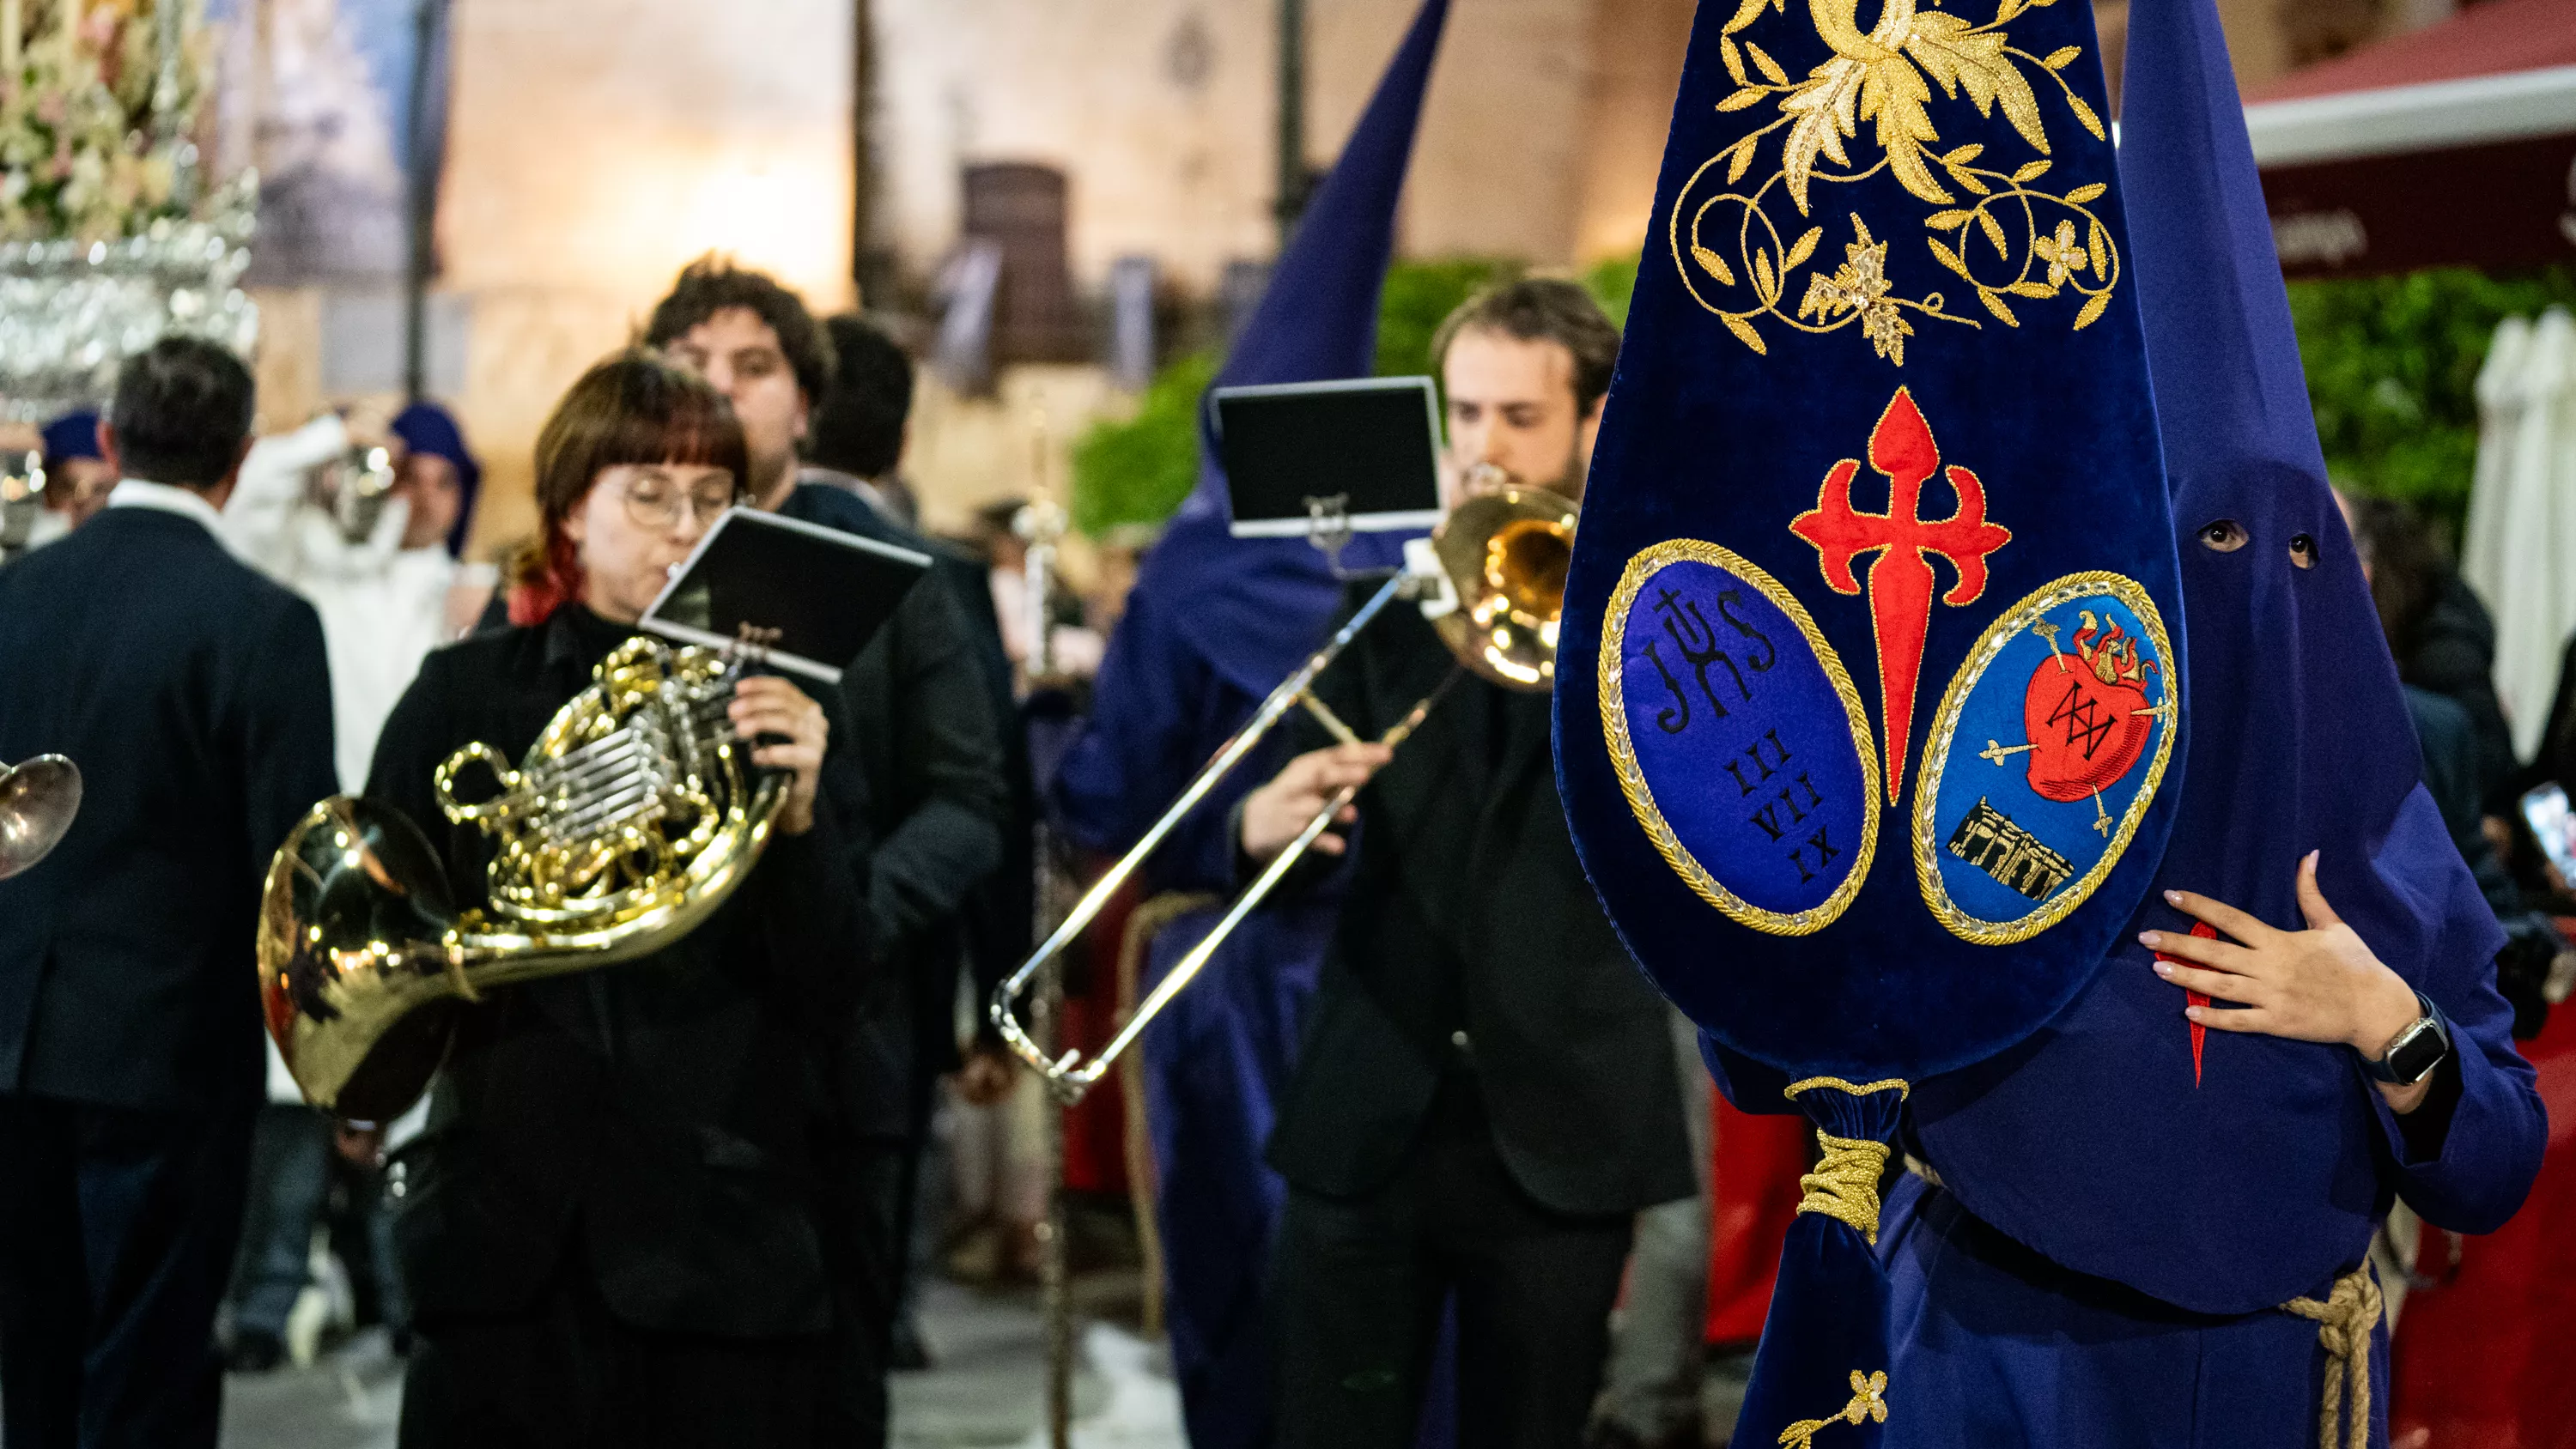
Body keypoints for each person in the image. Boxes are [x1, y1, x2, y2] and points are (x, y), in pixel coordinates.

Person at [372, 352, 872, 1445]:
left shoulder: (780, 707)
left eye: (710, 499)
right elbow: (387, 938)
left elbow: (836, 983)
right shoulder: (465, 694)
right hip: (504, 1237)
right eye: (647, 493)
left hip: (717, 1239)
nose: (682, 527)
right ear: (567, 510)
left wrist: (799, 822)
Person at [1239, 279, 1695, 1449]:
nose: (1483, 450)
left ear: (1594, 425)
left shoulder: (1668, 615)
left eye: (1519, 418)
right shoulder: (1380, 608)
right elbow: (1290, 852)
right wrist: (1264, 827)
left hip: (1564, 1120)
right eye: (1467, 415)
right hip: (1370, 1109)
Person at [645, 259, 1013, 1435]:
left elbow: (969, 800)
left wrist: (853, 910)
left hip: (842, 1052)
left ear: (805, 403)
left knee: (830, 1386)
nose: (720, 392)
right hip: (650, 1047)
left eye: (751, 370)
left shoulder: (891, 566)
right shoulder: (613, 551)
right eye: (690, 368)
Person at [0, 337, 339, 1448]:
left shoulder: (18, 595)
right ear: (239, 460)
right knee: (146, 1379)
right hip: (168, 1056)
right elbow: (296, 872)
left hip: (11, 1044)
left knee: (32, 1371)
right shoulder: (264, 624)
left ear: (108, 441)